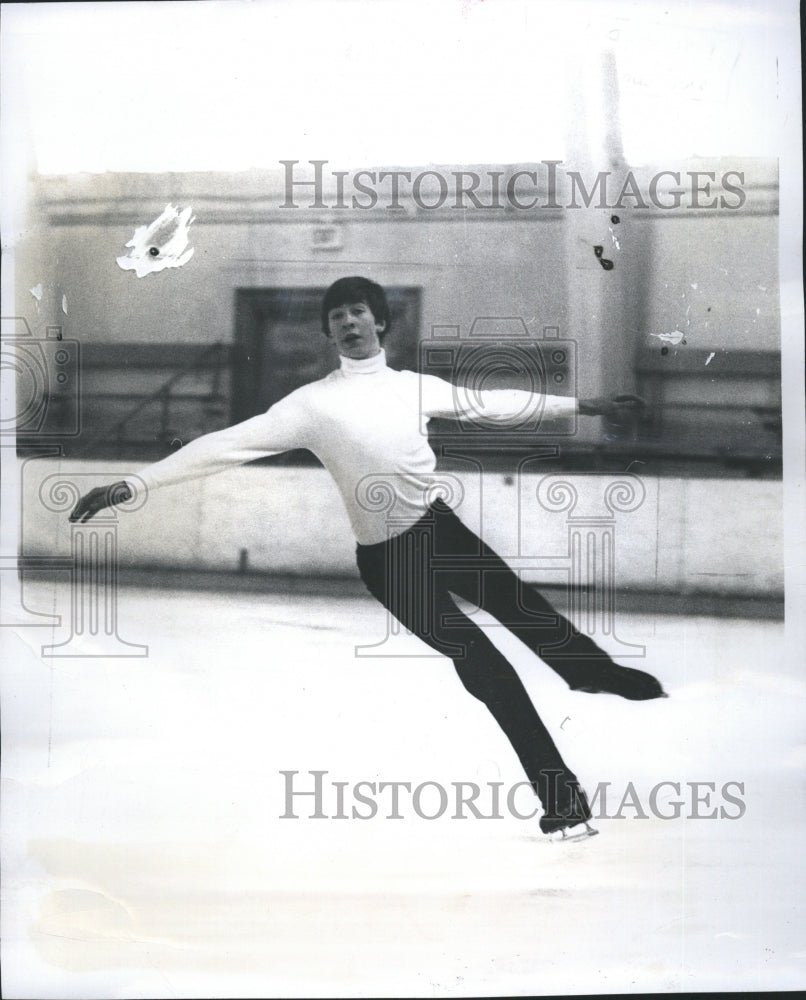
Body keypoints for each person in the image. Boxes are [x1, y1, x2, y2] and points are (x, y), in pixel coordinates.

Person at [70, 276, 666, 839]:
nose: (349, 321)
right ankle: (562, 803)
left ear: (380, 322)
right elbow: (225, 445)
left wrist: (585, 405)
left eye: (358, 311)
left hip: (442, 532)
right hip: (389, 563)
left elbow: (495, 403)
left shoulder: (415, 388)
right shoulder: (310, 405)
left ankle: (592, 673)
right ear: (329, 334)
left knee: (531, 616)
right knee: (487, 669)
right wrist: (134, 485)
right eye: (337, 316)